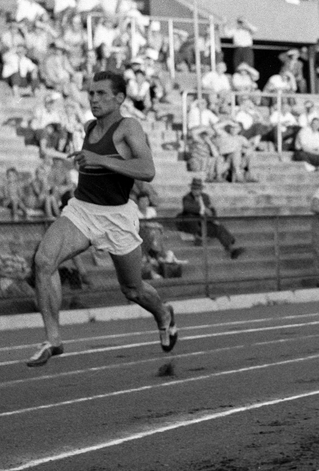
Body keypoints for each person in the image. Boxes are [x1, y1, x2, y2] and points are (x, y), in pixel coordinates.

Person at [25, 70, 177, 367]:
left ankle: (163, 314)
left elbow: (147, 170)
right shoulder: (88, 126)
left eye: (101, 94)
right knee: (44, 261)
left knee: (132, 290)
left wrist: (99, 160)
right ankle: (53, 340)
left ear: (119, 98)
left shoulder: (128, 127)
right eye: (91, 93)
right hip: (82, 210)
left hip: (117, 218)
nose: (93, 98)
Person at [176, 177, 243, 257]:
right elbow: (188, 207)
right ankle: (198, 237)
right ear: (191, 189)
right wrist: (202, 209)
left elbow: (211, 209)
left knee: (218, 227)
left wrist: (213, 218)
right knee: (190, 217)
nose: (196, 191)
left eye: (198, 189)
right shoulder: (187, 198)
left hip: (203, 223)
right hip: (191, 223)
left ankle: (230, 249)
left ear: (201, 189)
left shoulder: (205, 197)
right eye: (194, 189)